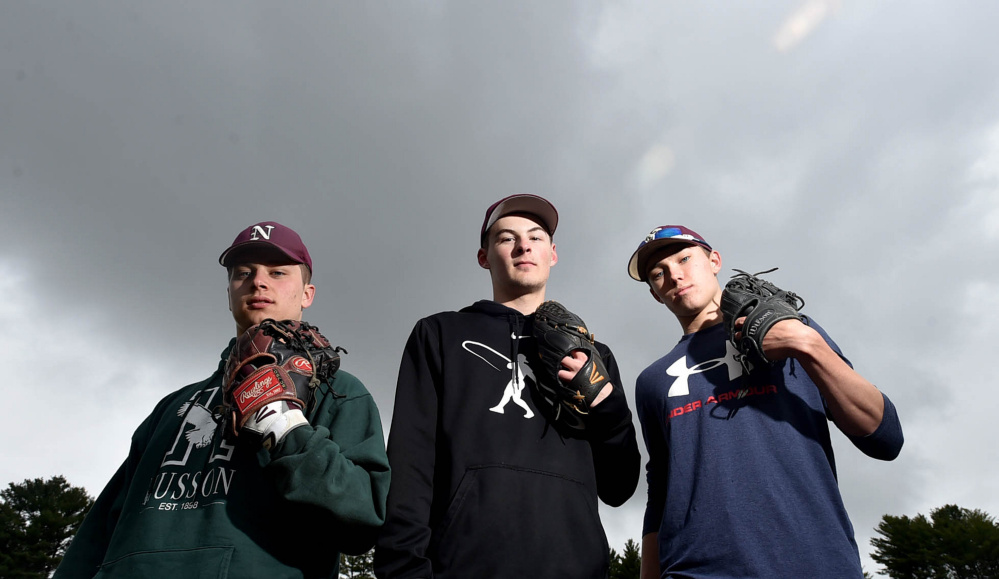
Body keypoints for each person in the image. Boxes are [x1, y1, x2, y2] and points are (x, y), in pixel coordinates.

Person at [55, 221, 390, 579]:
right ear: (229, 292)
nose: (258, 281)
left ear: (307, 294)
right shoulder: (174, 405)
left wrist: (284, 425)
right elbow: (100, 530)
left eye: (277, 272)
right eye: (243, 273)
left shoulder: (338, 391)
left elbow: (364, 519)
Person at [374, 195, 641, 578]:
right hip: (463, 566)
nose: (523, 245)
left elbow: (619, 488)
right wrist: (403, 569)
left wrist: (611, 412)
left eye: (536, 236)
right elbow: (409, 465)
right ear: (484, 257)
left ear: (553, 253)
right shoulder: (440, 334)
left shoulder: (594, 356)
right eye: (505, 238)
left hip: (574, 566)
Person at [626, 225, 904, 579]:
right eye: (657, 274)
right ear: (654, 294)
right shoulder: (652, 381)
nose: (674, 275)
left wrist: (807, 343)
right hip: (695, 571)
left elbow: (885, 436)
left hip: (813, 561)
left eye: (684, 258)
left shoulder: (790, 329)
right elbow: (661, 488)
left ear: (714, 261)